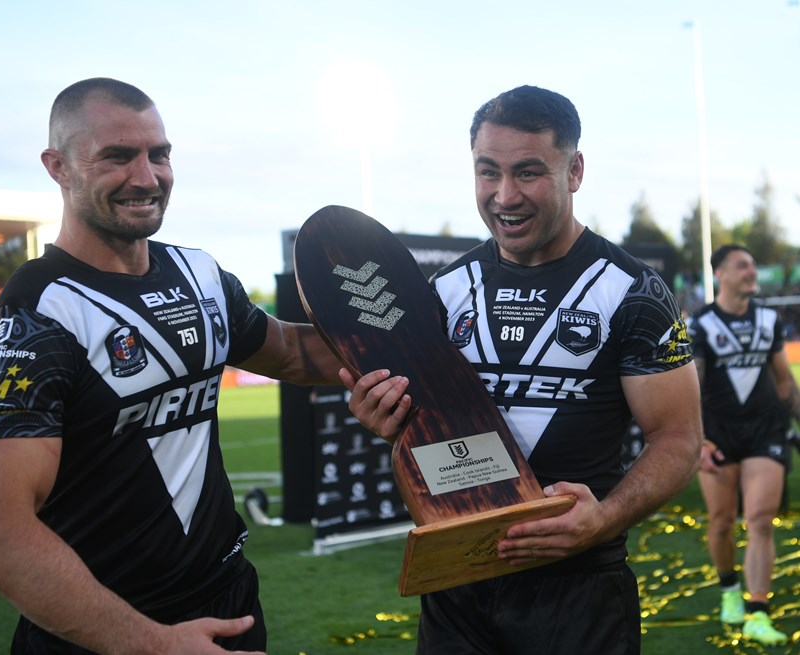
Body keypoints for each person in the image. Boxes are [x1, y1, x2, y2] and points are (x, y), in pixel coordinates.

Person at [0, 78, 343, 655]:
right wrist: (154, 644)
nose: (147, 177)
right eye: (117, 156)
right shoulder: (31, 320)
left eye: (158, 154)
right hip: (104, 630)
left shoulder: (201, 277)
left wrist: (406, 347)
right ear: (58, 167)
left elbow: (292, 351)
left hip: (229, 604)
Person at [340, 85, 703, 654]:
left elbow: (679, 438)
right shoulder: (443, 291)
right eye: (488, 172)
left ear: (575, 170)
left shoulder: (633, 291)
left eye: (528, 172)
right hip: (457, 586)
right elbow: (418, 430)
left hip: (577, 588)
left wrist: (602, 518)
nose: (504, 195)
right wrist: (391, 419)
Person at [689, 244, 798, 646]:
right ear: (720, 274)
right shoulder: (699, 325)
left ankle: (757, 610)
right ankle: (729, 590)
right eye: (743, 266)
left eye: (753, 265)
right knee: (720, 522)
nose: (752, 271)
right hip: (717, 434)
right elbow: (691, 389)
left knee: (760, 519)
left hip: (766, 431)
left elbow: (784, 382)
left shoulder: (769, 320)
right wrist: (697, 440)